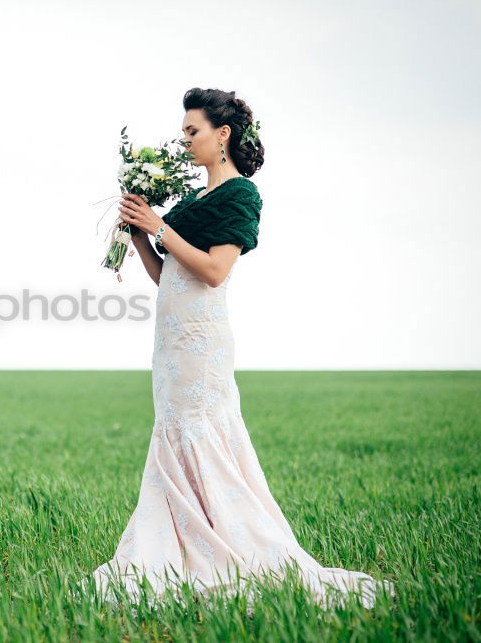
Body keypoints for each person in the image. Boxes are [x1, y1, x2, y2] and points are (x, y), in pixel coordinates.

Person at [85, 88, 395, 611]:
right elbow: (168, 276)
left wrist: (160, 226)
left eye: (192, 132)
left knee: (203, 435)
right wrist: (139, 234)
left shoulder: (240, 196)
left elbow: (213, 271)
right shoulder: (188, 203)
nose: (184, 141)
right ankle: (174, 544)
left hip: (202, 343)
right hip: (169, 348)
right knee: (172, 437)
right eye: (183, 132)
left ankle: (229, 546)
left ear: (221, 134)